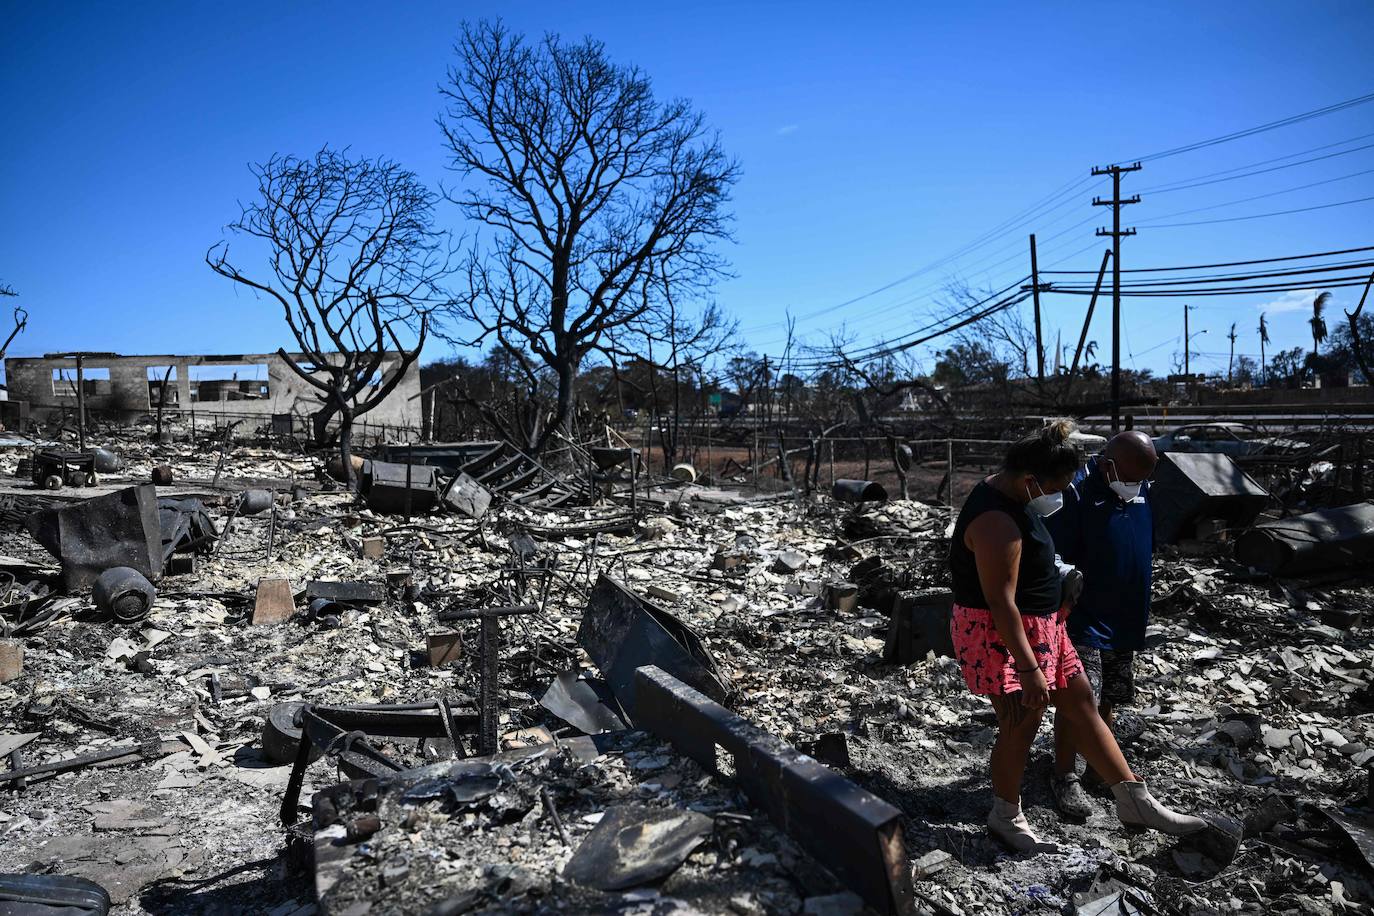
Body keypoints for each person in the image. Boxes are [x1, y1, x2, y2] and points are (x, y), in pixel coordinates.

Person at [948, 420, 1205, 851]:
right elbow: (1001, 602)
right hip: (1004, 636)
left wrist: (1059, 579)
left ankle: (1134, 799)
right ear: (1031, 480)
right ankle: (1004, 814)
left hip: (1043, 625)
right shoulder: (996, 520)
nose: (1064, 494)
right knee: (1022, 723)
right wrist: (1029, 668)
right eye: (1060, 485)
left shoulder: (1015, 494)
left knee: (1082, 701)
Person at [1045, 430, 1158, 819]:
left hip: (1125, 613)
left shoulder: (1139, 488)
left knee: (1109, 694)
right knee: (1078, 699)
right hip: (1085, 615)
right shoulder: (1076, 492)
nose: (1136, 486)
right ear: (1108, 465)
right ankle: (1064, 774)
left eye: (1142, 479)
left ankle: (1097, 766)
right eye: (1130, 478)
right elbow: (1055, 553)